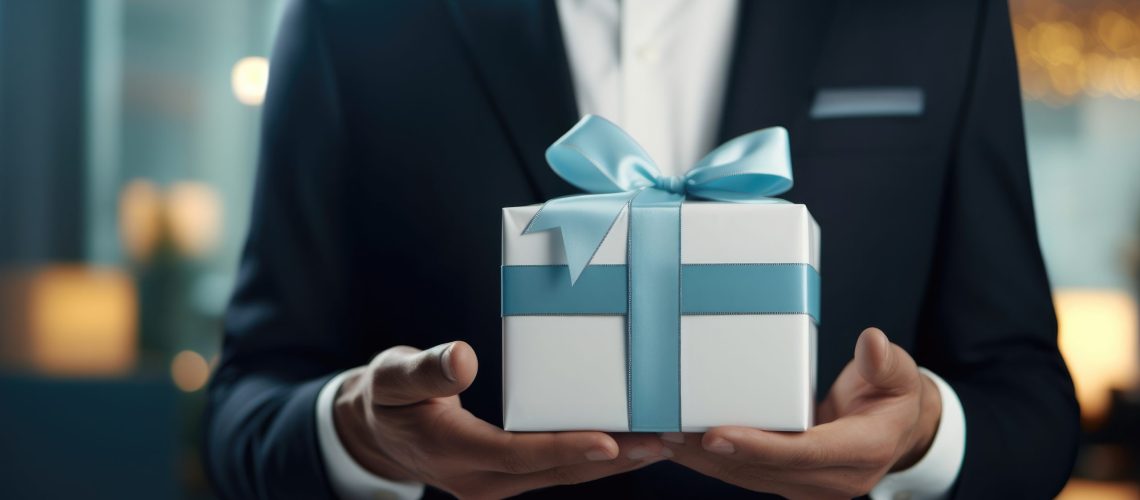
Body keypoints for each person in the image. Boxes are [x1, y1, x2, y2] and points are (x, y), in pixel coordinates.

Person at [204, 0, 1079, 498]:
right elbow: (246, 404)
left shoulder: (940, 12)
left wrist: (923, 433)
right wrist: (360, 432)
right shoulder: (348, 17)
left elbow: (1030, 407)